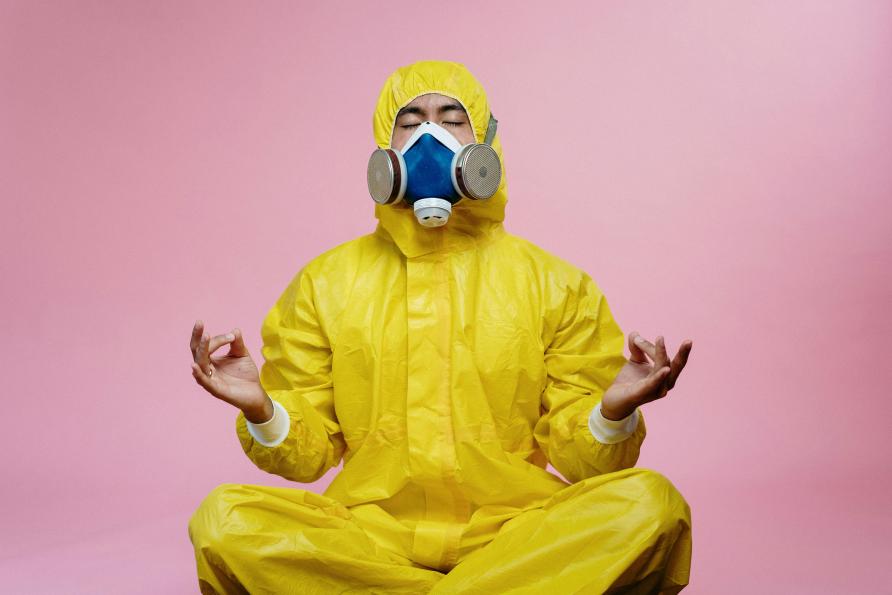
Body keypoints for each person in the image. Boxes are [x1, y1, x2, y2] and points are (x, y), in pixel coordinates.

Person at [188, 60, 693, 594]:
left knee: (650, 507)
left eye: (452, 120)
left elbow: (583, 462)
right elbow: (310, 455)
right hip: (370, 536)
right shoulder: (325, 283)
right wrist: (264, 411)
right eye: (410, 122)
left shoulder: (556, 285)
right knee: (224, 523)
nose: (430, 138)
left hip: (514, 534)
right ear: (385, 147)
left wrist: (611, 414)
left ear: (486, 142)